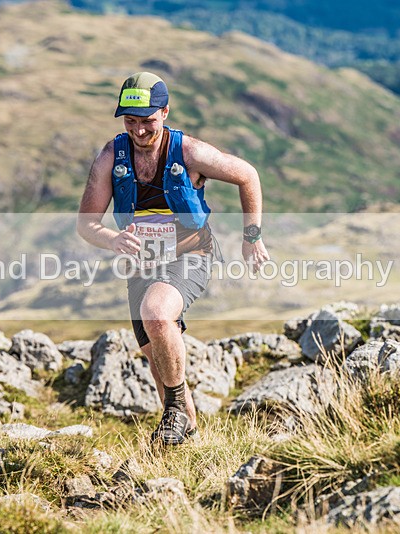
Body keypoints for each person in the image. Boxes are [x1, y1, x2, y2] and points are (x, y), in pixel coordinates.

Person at [77, 71, 269, 446]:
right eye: (130, 121)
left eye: (147, 121)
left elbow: (248, 176)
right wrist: (113, 240)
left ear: (165, 112)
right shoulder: (110, 157)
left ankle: (175, 412)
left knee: (157, 314)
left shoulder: (190, 152)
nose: (139, 131)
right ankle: (190, 440)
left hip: (191, 254)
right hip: (139, 264)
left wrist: (252, 238)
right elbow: (86, 225)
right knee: (157, 353)